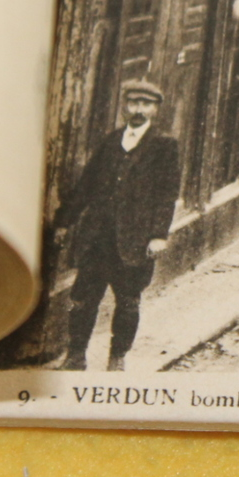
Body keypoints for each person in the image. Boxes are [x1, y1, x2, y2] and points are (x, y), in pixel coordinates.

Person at [55, 80, 180, 372]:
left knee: (127, 301)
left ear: (155, 109)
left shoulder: (164, 145)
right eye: (134, 103)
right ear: (124, 106)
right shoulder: (112, 141)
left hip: (134, 240)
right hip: (98, 238)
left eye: (146, 105)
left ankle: (117, 357)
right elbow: (86, 185)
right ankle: (75, 355)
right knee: (83, 298)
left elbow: (167, 193)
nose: (138, 110)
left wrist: (158, 235)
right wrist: (65, 222)